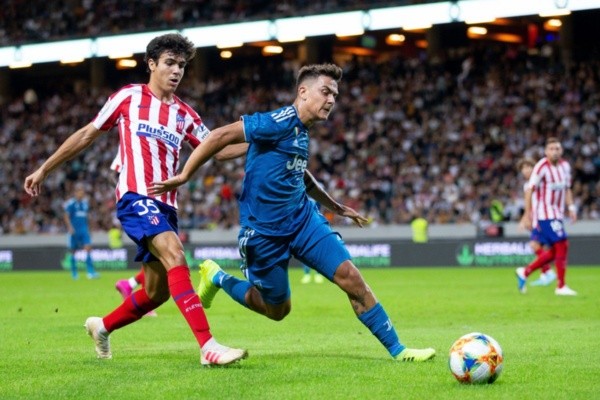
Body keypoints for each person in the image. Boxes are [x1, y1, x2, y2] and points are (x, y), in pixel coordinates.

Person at [151, 63, 436, 362]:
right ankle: (218, 277)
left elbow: (300, 174)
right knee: (277, 310)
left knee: (351, 277)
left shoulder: (303, 131)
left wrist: (334, 206)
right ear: (303, 92)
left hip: (303, 221)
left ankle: (399, 350)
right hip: (263, 233)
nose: (331, 100)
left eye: (335, 95)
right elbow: (220, 136)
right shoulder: (278, 121)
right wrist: (185, 175)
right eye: (325, 92)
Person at [24, 33, 247, 365]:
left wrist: (259, 139)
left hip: (167, 206)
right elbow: (87, 134)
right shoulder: (128, 97)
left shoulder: (186, 114)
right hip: (135, 196)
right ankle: (208, 346)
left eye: (182, 66)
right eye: (169, 63)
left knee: (156, 293)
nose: (176, 71)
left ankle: (102, 326)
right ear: (152, 64)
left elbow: (219, 150)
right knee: (175, 253)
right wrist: (44, 168)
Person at [516, 138, 578, 296]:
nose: (555, 151)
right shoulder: (541, 166)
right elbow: (530, 189)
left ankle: (526, 271)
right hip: (544, 215)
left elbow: (567, 188)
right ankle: (561, 286)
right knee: (562, 243)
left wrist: (571, 207)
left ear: (561, 150)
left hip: (557, 214)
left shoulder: (565, 166)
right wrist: (526, 216)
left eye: (557, 148)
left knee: (553, 250)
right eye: (551, 149)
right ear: (545, 151)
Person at [516, 158, 555, 287]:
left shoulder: (538, 182)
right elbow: (529, 203)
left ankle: (547, 272)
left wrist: (526, 218)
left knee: (534, 245)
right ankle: (545, 274)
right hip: (536, 217)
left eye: (529, 167)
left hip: (541, 217)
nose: (526, 170)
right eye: (523, 168)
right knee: (542, 247)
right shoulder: (527, 185)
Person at [63, 182, 99, 280]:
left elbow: (87, 217)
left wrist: (89, 229)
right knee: (73, 251)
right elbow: (66, 216)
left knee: (88, 248)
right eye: (80, 191)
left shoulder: (85, 204)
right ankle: (74, 273)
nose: (82, 193)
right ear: (75, 192)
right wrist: (70, 227)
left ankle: (90, 272)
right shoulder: (70, 203)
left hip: (84, 230)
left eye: (83, 191)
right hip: (74, 230)